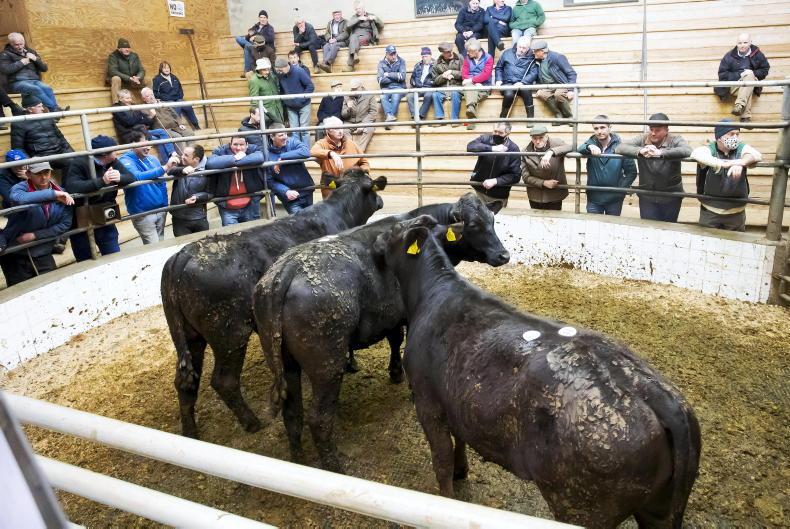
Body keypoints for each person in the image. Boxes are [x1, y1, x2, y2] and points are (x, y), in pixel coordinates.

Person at [63, 135, 135, 261]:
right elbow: (72, 187)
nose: (117, 152)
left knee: (113, 254)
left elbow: (131, 177)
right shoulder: (78, 162)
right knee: (85, 258)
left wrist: (120, 178)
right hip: (81, 215)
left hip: (105, 210)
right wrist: (102, 181)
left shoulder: (113, 162)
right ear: (105, 154)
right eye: (114, 150)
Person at [0, 162, 73, 286]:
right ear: (28, 174)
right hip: (16, 253)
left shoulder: (62, 192)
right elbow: (18, 198)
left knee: (52, 287)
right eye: (38, 173)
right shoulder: (20, 188)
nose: (44, 177)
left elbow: (64, 224)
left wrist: (35, 235)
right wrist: (53, 195)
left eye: (46, 172)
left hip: (43, 250)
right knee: (21, 294)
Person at [616, 112, 692, 223]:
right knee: (648, 229)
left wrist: (661, 153)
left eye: (657, 130)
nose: (653, 133)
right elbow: (620, 147)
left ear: (666, 130)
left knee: (669, 229)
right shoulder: (642, 139)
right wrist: (640, 151)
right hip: (647, 196)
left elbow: (688, 150)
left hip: (671, 196)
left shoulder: (675, 139)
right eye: (651, 129)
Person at [692, 119, 762, 231]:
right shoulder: (710, 149)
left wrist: (739, 162)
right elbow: (696, 153)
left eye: (737, 134)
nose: (735, 137)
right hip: (710, 210)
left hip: (736, 212)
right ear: (719, 137)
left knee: (736, 244)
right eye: (731, 134)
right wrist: (722, 164)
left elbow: (756, 155)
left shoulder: (741, 148)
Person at [119, 130, 179, 244]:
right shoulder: (125, 160)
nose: (148, 147)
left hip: (160, 209)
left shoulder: (153, 159)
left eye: (149, 144)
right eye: (143, 144)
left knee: (161, 243)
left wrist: (165, 206)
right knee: (154, 246)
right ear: (133, 144)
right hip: (143, 213)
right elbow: (136, 177)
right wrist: (164, 168)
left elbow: (162, 184)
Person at [576, 116, 637, 216]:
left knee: (612, 227)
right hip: (594, 197)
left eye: (602, 127)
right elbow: (580, 149)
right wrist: (589, 146)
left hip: (614, 199)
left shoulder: (621, 146)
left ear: (610, 127)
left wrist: (620, 189)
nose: (599, 131)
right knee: (593, 226)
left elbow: (632, 172)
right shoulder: (591, 143)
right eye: (596, 128)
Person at [205, 136, 266, 225]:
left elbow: (259, 157)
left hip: (251, 203)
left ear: (247, 145)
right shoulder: (221, 150)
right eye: (235, 144)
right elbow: (210, 163)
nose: (238, 148)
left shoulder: (253, 148)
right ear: (230, 144)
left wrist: (229, 163)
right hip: (227, 206)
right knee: (232, 236)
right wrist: (235, 158)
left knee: (253, 233)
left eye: (241, 145)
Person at [11, 93, 74, 178]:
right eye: (39, 106)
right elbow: (17, 148)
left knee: (79, 160)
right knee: (70, 161)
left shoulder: (47, 118)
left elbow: (60, 137)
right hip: (41, 156)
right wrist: (28, 162)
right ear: (30, 109)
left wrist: (72, 152)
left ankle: (70, 187)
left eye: (42, 106)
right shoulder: (19, 123)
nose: (42, 109)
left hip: (59, 152)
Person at [0, 33, 67, 113]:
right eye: (16, 45)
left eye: (21, 44)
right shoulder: (5, 54)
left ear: (24, 42)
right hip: (16, 83)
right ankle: (55, 110)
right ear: (11, 44)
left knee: (47, 88)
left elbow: (44, 68)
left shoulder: (31, 52)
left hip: (34, 80)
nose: (20, 46)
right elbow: (5, 70)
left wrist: (35, 59)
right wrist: (21, 62)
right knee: (35, 89)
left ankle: (55, 109)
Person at [715, 33, 770, 123]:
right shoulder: (729, 56)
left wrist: (752, 73)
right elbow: (722, 75)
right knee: (748, 81)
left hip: (751, 84)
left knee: (749, 77)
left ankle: (739, 105)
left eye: (745, 42)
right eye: (740, 43)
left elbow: (765, 70)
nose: (742, 45)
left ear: (750, 43)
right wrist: (741, 74)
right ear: (736, 43)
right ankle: (745, 117)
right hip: (733, 86)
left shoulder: (758, 54)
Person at [311, 116, 370, 199]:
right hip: (332, 186)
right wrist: (331, 153)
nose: (340, 131)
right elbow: (313, 151)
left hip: (351, 185)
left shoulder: (350, 143)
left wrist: (364, 173)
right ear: (328, 131)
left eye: (341, 128)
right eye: (336, 129)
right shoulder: (322, 143)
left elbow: (364, 161)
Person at [467, 122, 521, 207]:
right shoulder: (485, 139)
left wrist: (496, 181)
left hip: (498, 195)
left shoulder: (513, 149)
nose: (497, 134)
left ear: (508, 133)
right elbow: (470, 146)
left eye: (500, 133)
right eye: (495, 131)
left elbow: (515, 175)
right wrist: (491, 148)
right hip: (479, 189)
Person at [112, 89, 175, 162]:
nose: (129, 100)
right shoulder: (117, 109)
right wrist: (141, 118)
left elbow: (145, 120)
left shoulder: (134, 106)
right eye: (127, 98)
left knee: (162, 131)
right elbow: (129, 122)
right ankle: (166, 161)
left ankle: (171, 153)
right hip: (129, 135)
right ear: (120, 99)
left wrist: (150, 117)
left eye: (130, 98)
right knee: (158, 140)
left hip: (141, 131)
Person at [266, 124, 315, 214]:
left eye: (285, 134)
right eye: (281, 135)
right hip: (290, 197)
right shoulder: (267, 154)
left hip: (306, 191)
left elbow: (306, 152)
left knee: (312, 221)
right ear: (272, 137)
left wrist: (282, 157)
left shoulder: (292, 142)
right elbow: (269, 181)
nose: (285, 137)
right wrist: (285, 191)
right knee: (299, 224)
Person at [521, 125, 572, 210]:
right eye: (534, 138)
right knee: (535, 221)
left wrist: (551, 152)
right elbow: (525, 177)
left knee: (554, 221)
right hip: (535, 195)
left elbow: (572, 147)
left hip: (554, 195)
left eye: (541, 137)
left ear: (546, 136)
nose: (537, 141)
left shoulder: (557, 143)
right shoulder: (525, 151)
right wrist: (543, 183)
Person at [168, 145, 213, 236]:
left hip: (199, 217)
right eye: (183, 154)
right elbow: (170, 170)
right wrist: (182, 170)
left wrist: (197, 197)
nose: (182, 157)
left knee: (203, 246)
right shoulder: (181, 163)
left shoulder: (207, 169)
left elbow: (210, 193)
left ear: (196, 159)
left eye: (186, 155)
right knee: (183, 247)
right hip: (179, 217)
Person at [530, 40, 576, 123]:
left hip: (561, 84)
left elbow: (572, 73)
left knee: (558, 94)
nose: (534, 53)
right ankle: (558, 115)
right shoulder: (537, 61)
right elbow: (539, 77)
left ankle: (569, 116)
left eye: (536, 51)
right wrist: (538, 88)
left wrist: (570, 90)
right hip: (547, 86)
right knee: (541, 93)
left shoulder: (557, 57)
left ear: (542, 51)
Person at [495, 36, 538, 119]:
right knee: (508, 94)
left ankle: (530, 118)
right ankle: (502, 118)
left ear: (528, 48)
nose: (521, 49)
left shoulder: (532, 57)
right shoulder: (507, 53)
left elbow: (533, 73)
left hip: (522, 83)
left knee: (527, 92)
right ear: (516, 45)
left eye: (524, 48)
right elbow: (499, 67)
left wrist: (523, 82)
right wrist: (498, 79)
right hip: (507, 83)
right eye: (520, 47)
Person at [275, 57, 314, 145]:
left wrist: (301, 100)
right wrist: (286, 101)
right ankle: (297, 150)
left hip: (304, 105)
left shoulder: (299, 71)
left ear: (286, 66)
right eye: (278, 70)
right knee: (294, 131)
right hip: (291, 107)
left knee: (304, 130)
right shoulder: (280, 75)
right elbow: (281, 90)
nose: (279, 72)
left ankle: (305, 151)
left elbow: (310, 86)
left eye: (280, 70)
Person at [140, 87, 194, 151]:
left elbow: (175, 115)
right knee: (177, 137)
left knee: (190, 134)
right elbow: (147, 122)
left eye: (152, 94)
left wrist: (180, 124)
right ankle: (181, 158)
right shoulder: (144, 108)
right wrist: (151, 114)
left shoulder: (163, 103)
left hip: (175, 126)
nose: (151, 97)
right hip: (164, 130)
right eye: (148, 96)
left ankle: (190, 154)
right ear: (144, 99)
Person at [152, 62, 200, 129]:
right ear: (161, 69)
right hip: (167, 100)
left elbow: (180, 89)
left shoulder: (174, 77)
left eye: (168, 68)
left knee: (188, 106)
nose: (167, 69)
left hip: (178, 99)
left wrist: (180, 96)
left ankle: (196, 125)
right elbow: (155, 93)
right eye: (164, 68)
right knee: (177, 108)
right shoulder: (157, 79)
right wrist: (165, 97)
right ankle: (179, 127)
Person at [461, 39, 493, 130]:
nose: (467, 53)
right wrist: (474, 83)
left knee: (469, 92)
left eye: (469, 51)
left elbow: (485, 75)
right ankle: (471, 110)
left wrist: (472, 81)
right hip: (470, 85)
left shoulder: (488, 58)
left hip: (484, 86)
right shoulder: (467, 58)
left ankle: (471, 117)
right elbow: (464, 74)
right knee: (469, 89)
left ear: (476, 51)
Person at [344, 2, 384, 72]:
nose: (358, 10)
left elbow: (381, 25)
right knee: (353, 37)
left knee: (353, 41)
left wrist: (375, 18)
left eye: (359, 8)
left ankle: (350, 65)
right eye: (356, 9)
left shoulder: (370, 15)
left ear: (363, 8)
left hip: (366, 35)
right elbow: (348, 25)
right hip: (356, 36)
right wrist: (359, 19)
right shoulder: (355, 17)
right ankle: (354, 55)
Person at [341, 78, 378, 151]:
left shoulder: (369, 95)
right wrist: (349, 108)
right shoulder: (347, 96)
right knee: (342, 129)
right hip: (350, 122)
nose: (353, 91)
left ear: (361, 87)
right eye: (352, 89)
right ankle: (351, 150)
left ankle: (359, 152)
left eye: (355, 89)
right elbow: (343, 115)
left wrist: (363, 124)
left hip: (363, 121)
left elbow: (373, 112)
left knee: (370, 129)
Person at [236, 10, 276, 77]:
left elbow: (271, 38)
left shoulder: (270, 28)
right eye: (261, 17)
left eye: (264, 17)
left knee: (247, 47)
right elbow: (246, 38)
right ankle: (251, 47)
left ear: (267, 18)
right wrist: (249, 35)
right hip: (254, 46)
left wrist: (256, 37)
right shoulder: (255, 27)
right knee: (238, 38)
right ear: (259, 18)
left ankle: (247, 71)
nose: (262, 19)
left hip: (263, 46)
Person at [432, 42, 463, 125]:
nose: (450, 53)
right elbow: (435, 81)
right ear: (443, 53)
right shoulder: (437, 63)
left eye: (450, 51)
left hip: (457, 86)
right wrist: (443, 76)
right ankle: (439, 119)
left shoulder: (460, 58)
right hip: (444, 87)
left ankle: (454, 120)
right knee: (435, 95)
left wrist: (452, 72)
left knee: (455, 94)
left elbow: (464, 74)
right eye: (447, 52)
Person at [248, 57, 285, 127]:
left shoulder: (271, 76)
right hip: (267, 113)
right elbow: (254, 100)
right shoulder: (254, 81)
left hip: (278, 109)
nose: (267, 72)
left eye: (268, 69)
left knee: (281, 129)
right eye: (264, 70)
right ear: (259, 70)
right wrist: (263, 113)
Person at [107, 38, 145, 104]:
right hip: (122, 80)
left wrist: (138, 77)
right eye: (124, 48)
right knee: (116, 78)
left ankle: (150, 103)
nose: (127, 49)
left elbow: (141, 69)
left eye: (128, 47)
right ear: (119, 49)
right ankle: (116, 104)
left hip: (133, 80)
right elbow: (112, 71)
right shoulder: (113, 56)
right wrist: (129, 78)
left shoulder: (134, 56)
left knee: (148, 80)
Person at [377, 45, 407, 128]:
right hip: (386, 88)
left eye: (395, 54)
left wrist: (388, 75)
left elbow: (402, 77)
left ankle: (389, 121)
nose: (393, 56)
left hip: (399, 87)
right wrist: (395, 77)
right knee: (382, 97)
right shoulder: (381, 63)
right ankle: (390, 117)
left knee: (395, 95)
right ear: (386, 54)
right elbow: (380, 80)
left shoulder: (401, 61)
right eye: (391, 54)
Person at [409, 47, 438, 122]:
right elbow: (412, 78)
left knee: (428, 95)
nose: (424, 58)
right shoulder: (418, 65)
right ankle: (414, 115)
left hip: (429, 87)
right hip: (418, 88)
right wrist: (414, 82)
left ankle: (420, 115)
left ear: (430, 56)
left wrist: (432, 83)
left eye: (426, 56)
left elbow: (438, 78)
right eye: (423, 57)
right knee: (409, 96)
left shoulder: (436, 64)